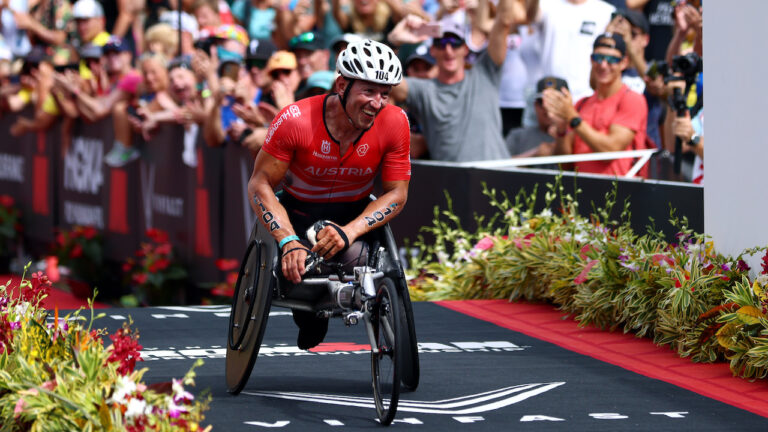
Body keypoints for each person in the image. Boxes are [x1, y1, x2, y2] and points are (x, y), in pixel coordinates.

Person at [246, 39, 410, 350]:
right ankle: (309, 313)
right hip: (297, 212)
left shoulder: (395, 122)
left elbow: (397, 193)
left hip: (353, 214)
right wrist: (287, 240)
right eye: (368, 91)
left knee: (354, 257)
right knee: (299, 265)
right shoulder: (295, 120)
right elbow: (260, 184)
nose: (377, 103)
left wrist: (349, 232)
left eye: (384, 94)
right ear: (341, 85)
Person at [388, 0, 530, 162]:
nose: (448, 50)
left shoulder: (485, 73)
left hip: (498, 178)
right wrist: (393, 41)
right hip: (453, 183)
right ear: (432, 50)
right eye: (441, 43)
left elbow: (503, 20)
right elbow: (380, 80)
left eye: (455, 43)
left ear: (465, 48)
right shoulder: (423, 90)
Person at [543, 32, 648, 177]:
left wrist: (574, 118)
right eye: (598, 58)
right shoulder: (582, 104)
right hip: (581, 191)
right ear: (591, 60)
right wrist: (561, 129)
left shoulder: (632, 99)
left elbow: (610, 150)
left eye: (611, 59)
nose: (603, 65)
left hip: (621, 193)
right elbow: (564, 164)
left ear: (623, 63)